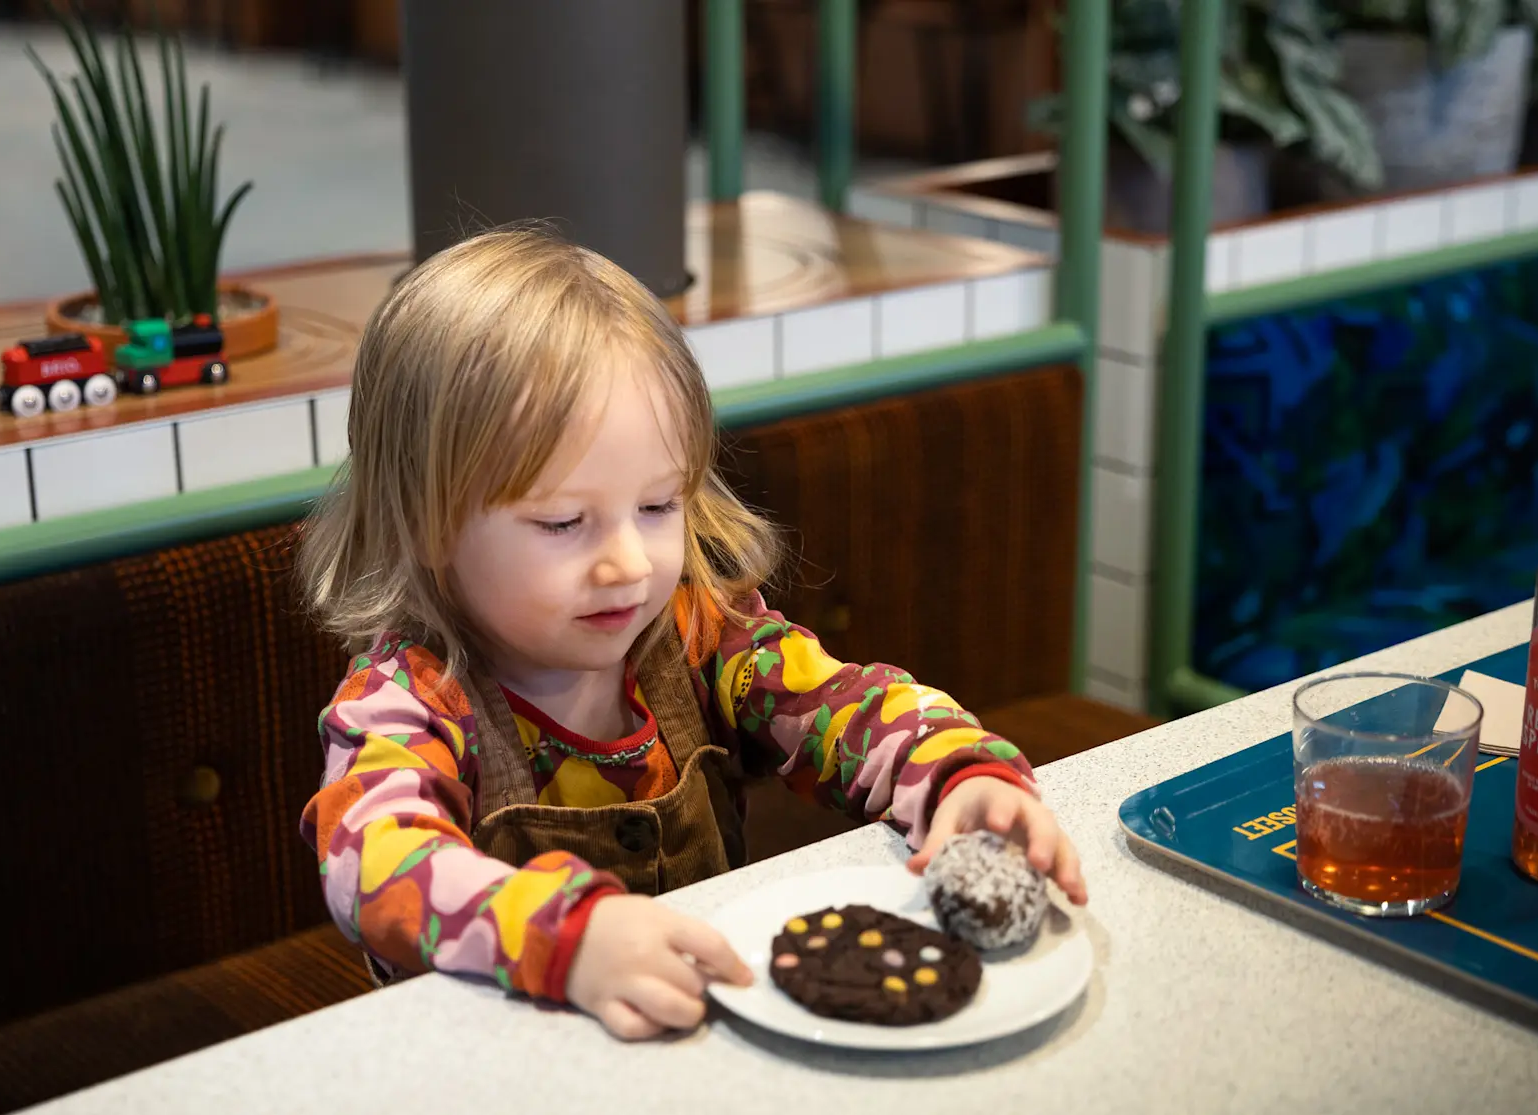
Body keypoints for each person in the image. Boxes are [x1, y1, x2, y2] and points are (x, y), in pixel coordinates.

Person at [297, 226, 1087, 1041]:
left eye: (658, 505)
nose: (629, 563)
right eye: (564, 521)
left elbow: (846, 707)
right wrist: (571, 939)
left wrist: (956, 774)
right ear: (425, 525)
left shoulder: (702, 630)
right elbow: (371, 864)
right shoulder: (405, 704)